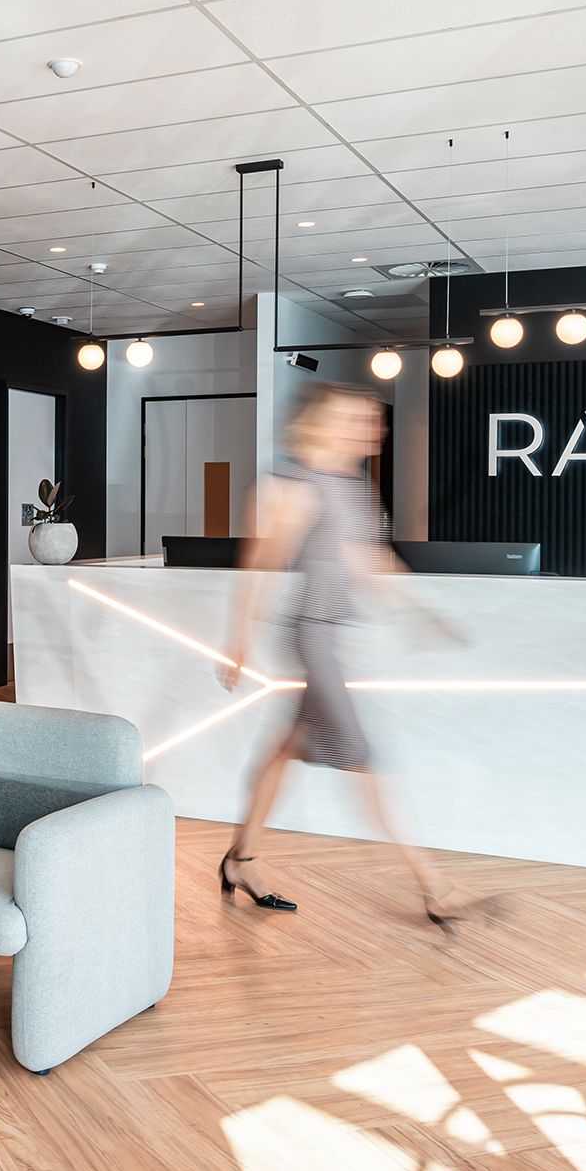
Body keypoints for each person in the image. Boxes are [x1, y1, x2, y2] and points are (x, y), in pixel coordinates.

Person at [217, 382, 486, 931]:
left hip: (333, 634)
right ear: (322, 423)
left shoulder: (354, 485)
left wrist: (422, 612)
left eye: (371, 420)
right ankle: (435, 888)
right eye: (356, 420)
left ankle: (240, 860)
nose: (372, 429)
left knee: (285, 749)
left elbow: (370, 559)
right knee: (363, 755)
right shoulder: (295, 484)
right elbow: (260, 561)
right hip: (311, 635)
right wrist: (237, 639)